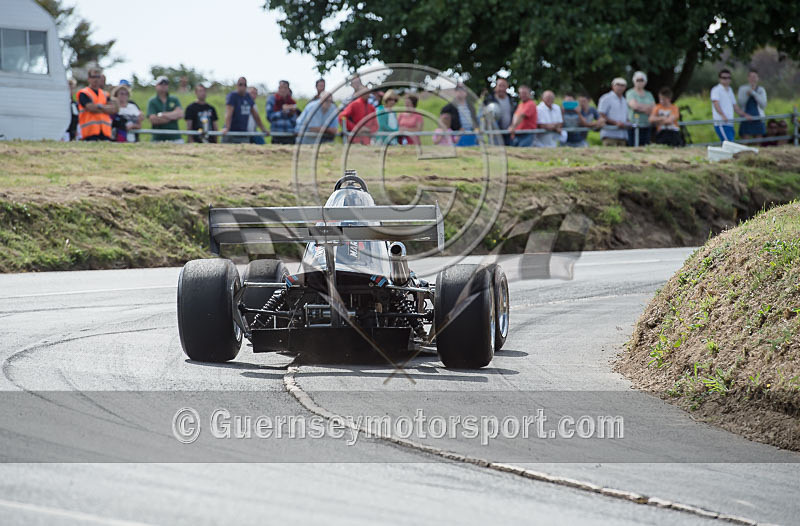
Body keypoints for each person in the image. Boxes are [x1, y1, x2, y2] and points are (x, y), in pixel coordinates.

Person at [222, 77, 268, 144]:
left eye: (245, 85)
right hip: (231, 133)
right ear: (237, 85)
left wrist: (263, 129)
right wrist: (227, 128)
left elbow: (255, 115)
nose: (242, 87)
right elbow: (229, 113)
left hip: (243, 133)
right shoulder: (232, 96)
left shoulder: (248, 97)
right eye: (240, 84)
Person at [76, 67, 117, 141]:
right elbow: (90, 108)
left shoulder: (105, 94)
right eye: (93, 77)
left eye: (98, 77)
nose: (96, 79)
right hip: (90, 132)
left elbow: (113, 109)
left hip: (105, 132)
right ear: (89, 79)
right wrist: (105, 108)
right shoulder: (84, 93)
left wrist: (99, 107)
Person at [711, 68, 751, 142]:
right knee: (728, 143)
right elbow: (716, 104)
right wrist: (723, 116)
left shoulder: (730, 90)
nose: (727, 80)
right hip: (721, 123)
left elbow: (735, 106)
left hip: (730, 123)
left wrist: (745, 115)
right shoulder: (716, 90)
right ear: (720, 79)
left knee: (729, 143)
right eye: (724, 78)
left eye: (728, 78)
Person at [147, 76, 184, 142]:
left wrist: (161, 115)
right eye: (161, 84)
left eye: (166, 84)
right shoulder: (152, 101)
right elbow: (153, 119)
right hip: (157, 138)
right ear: (156, 86)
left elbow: (180, 114)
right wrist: (172, 117)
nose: (163, 86)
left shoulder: (174, 99)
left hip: (175, 138)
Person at [481, 78, 516, 145]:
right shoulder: (489, 100)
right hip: (495, 134)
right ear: (496, 87)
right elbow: (482, 116)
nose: (501, 88)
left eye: (504, 86)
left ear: (507, 87)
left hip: (509, 134)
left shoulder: (512, 100)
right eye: (500, 86)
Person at [624, 71, 655, 146]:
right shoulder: (630, 93)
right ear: (634, 81)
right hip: (633, 126)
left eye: (642, 80)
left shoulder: (649, 94)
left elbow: (654, 108)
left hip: (646, 125)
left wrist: (640, 107)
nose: (640, 82)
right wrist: (647, 108)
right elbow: (634, 106)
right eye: (638, 80)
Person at [598, 78, 630, 146]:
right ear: (613, 86)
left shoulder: (624, 100)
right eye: (618, 85)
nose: (620, 87)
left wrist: (626, 124)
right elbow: (601, 114)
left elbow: (627, 117)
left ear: (625, 87)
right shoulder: (606, 98)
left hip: (622, 135)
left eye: (622, 85)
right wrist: (615, 123)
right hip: (609, 134)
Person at [737, 69, 767, 140]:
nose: (752, 79)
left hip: (758, 118)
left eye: (754, 77)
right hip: (746, 118)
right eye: (751, 77)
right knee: (745, 140)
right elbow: (741, 104)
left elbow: (763, 105)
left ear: (757, 78)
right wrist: (747, 95)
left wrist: (753, 93)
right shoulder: (742, 89)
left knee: (758, 140)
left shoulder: (761, 90)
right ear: (748, 78)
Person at [266, 80, 297, 144]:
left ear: (288, 89)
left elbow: (295, 120)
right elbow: (269, 117)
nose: (283, 90)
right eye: (281, 88)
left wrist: (291, 113)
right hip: (277, 134)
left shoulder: (292, 101)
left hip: (290, 135)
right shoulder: (272, 99)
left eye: (285, 88)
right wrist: (282, 112)